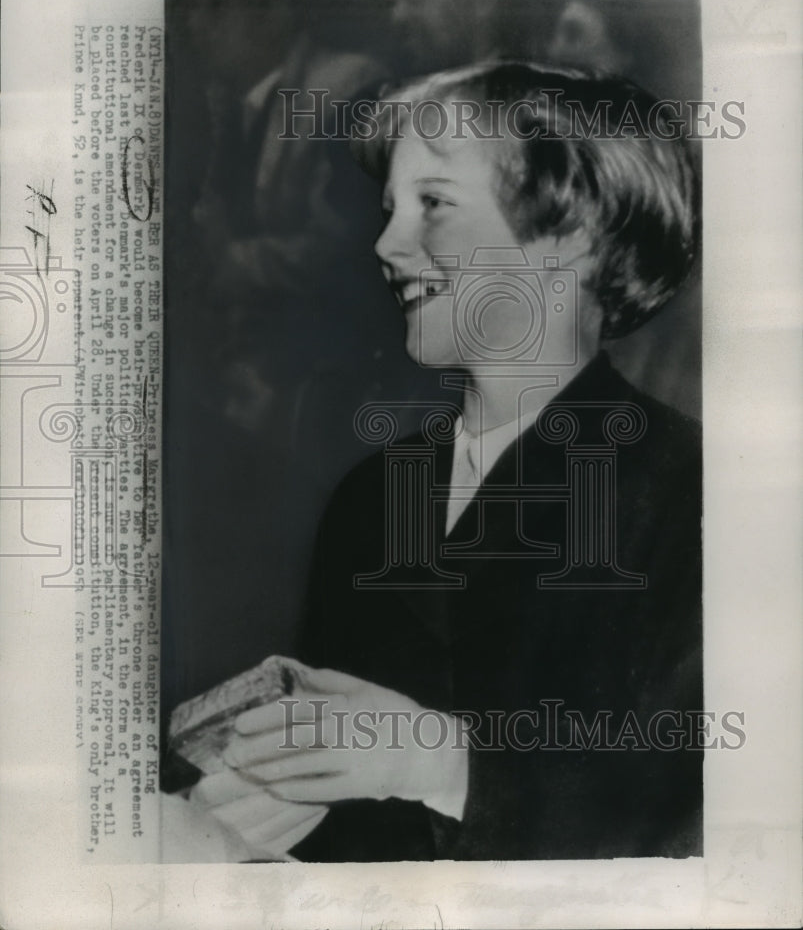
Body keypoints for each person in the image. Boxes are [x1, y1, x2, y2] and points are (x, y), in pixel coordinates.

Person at [176, 61, 703, 862]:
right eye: (391, 208)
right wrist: (260, 811)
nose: (386, 243)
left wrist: (437, 760)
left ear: (570, 232)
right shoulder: (371, 497)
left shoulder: (693, 491)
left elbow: (699, 821)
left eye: (434, 205)